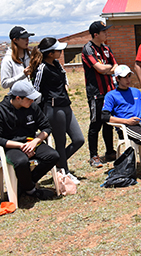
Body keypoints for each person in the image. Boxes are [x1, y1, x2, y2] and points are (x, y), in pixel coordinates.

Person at [31, 38, 84, 184]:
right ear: (50, 53)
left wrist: (66, 87)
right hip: (53, 109)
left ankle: (59, 162)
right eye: (58, 50)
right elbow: (35, 90)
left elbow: (64, 77)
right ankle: (65, 173)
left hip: (66, 105)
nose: (61, 52)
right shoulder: (42, 68)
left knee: (79, 139)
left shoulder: (56, 64)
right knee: (60, 142)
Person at [0, 80, 60, 200]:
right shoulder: (2, 111)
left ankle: (25, 185)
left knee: (53, 156)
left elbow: (46, 128)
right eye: (29, 99)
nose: (32, 101)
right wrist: (20, 146)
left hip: (32, 142)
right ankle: (31, 190)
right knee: (21, 161)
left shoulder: (32, 107)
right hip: (12, 146)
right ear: (18, 98)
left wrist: (34, 142)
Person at [82, 21, 118, 168]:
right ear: (96, 34)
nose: (106, 33)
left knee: (108, 122)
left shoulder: (106, 48)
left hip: (109, 91)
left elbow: (114, 66)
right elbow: (99, 68)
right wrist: (106, 68)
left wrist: (107, 68)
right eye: (104, 31)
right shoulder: (88, 49)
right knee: (95, 124)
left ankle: (110, 151)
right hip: (96, 93)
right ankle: (94, 155)